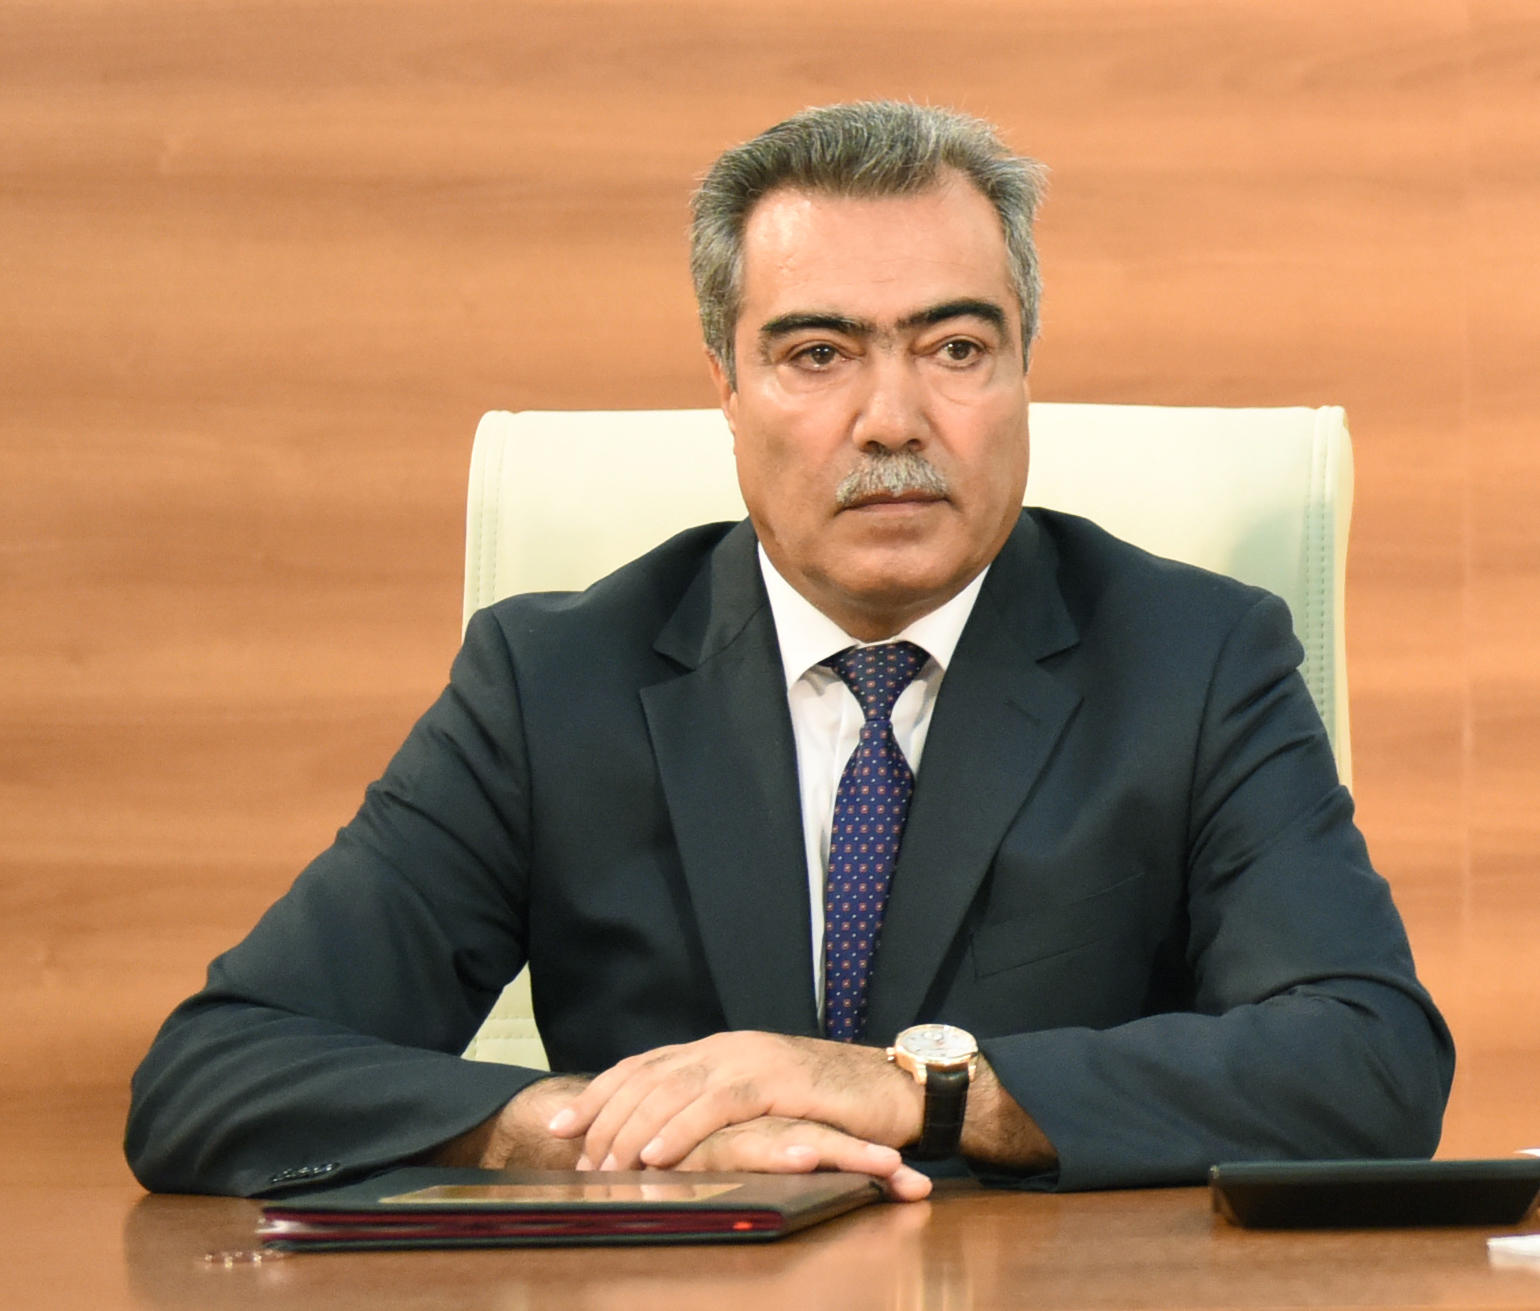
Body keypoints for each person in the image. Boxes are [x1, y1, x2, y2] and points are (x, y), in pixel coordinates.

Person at [125, 101, 1454, 1201]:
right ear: (726, 384)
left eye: (955, 347)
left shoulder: (1196, 662)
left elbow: (1372, 1065)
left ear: (1023, 369)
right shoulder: (551, 685)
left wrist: (921, 1092)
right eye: (818, 353)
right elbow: (215, 1075)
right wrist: (581, 1131)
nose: (892, 418)